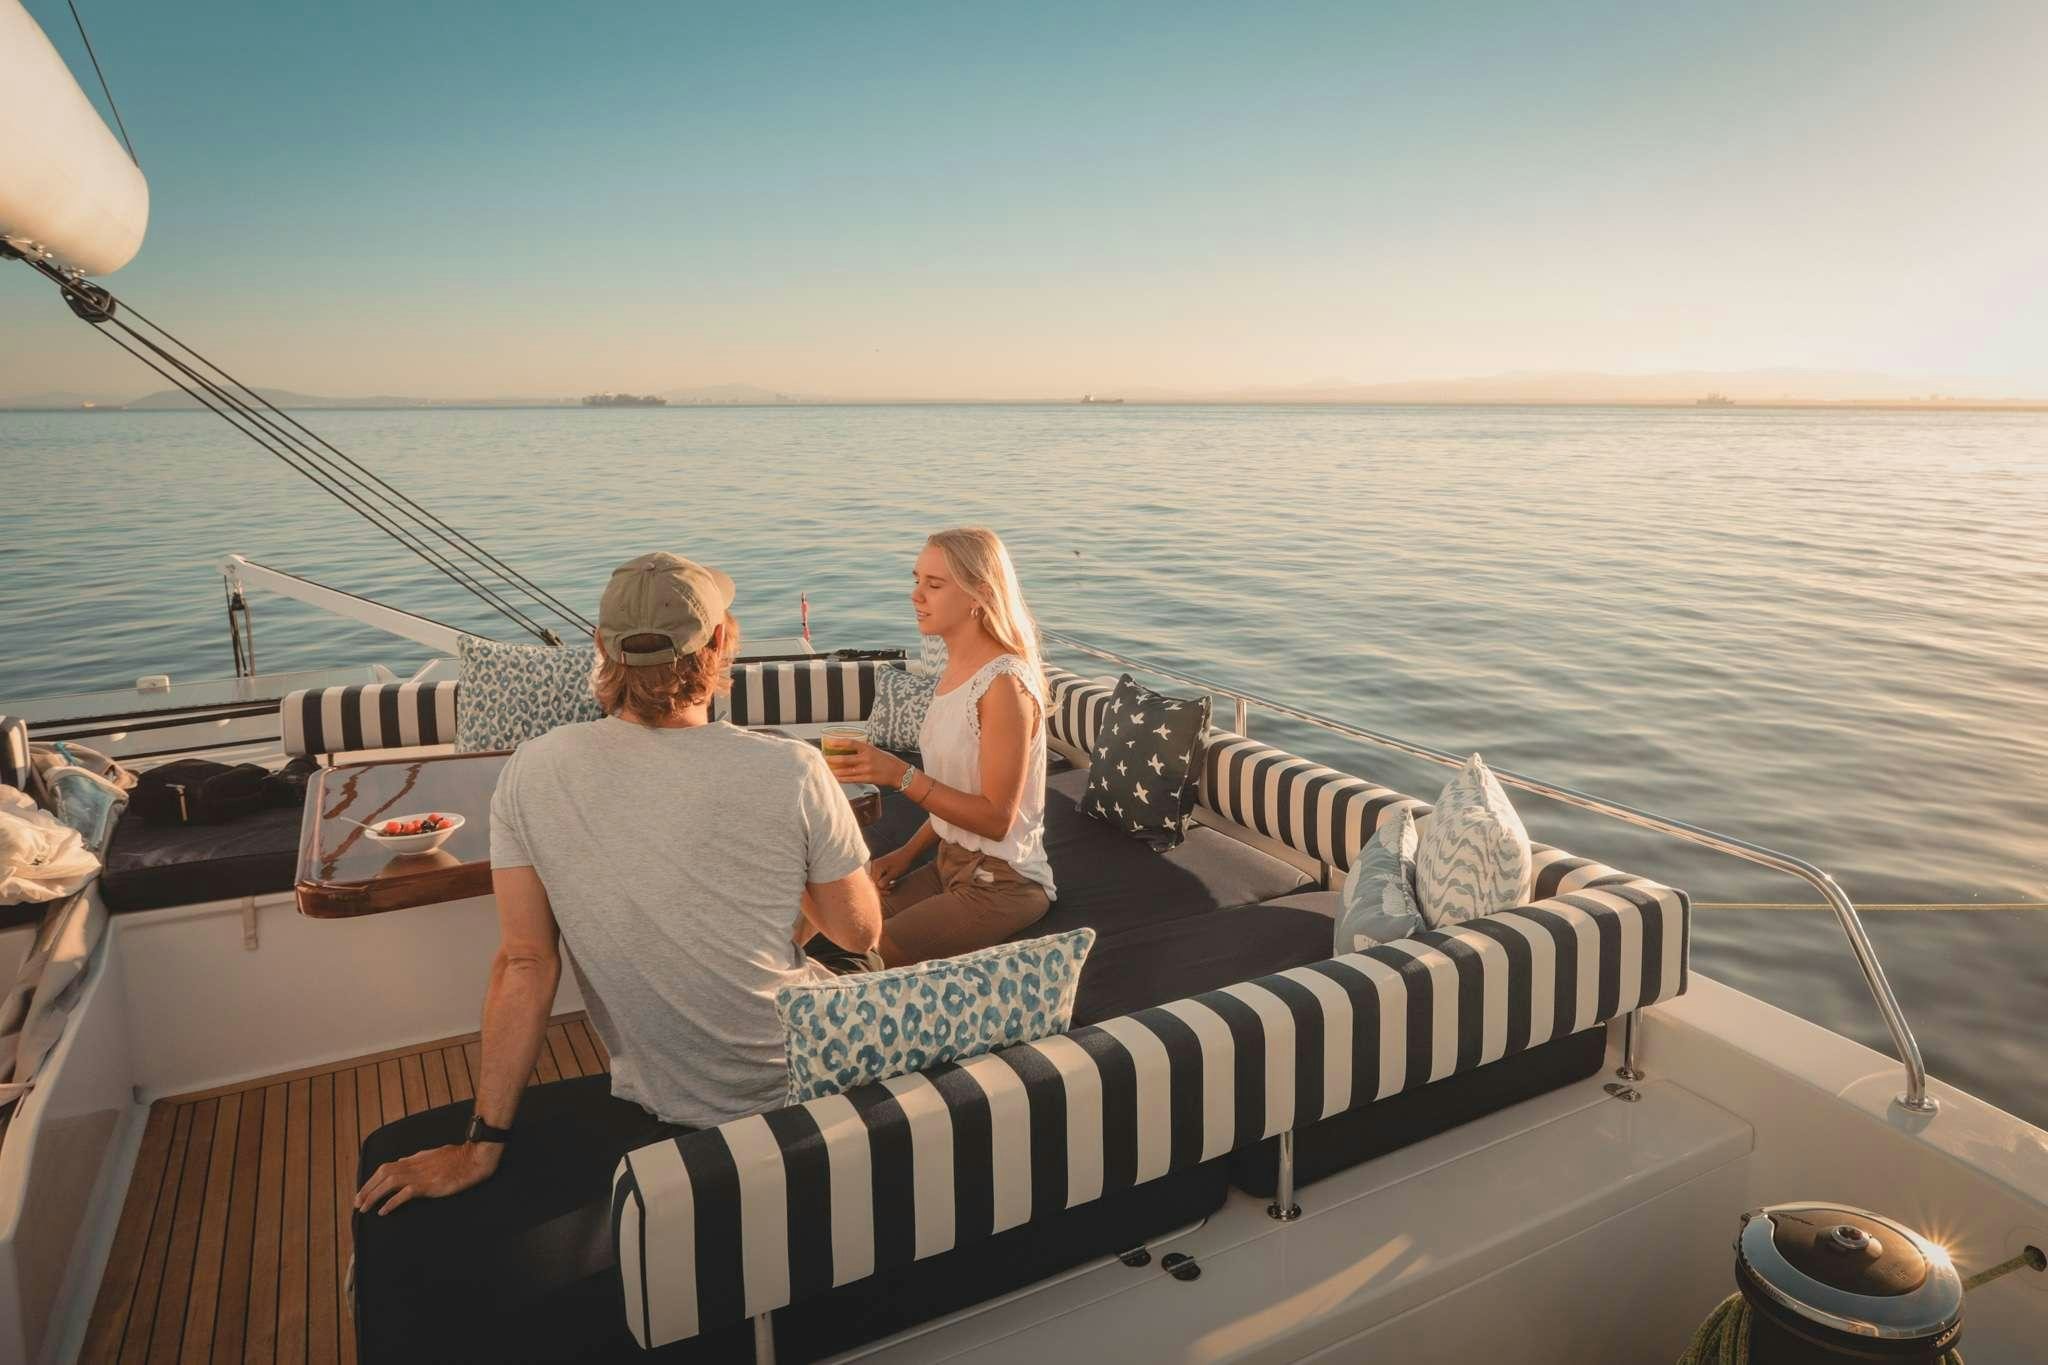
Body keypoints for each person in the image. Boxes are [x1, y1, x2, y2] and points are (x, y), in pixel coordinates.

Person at [353, 550, 882, 1219]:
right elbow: (858, 931)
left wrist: (480, 1147)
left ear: (602, 648)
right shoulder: (792, 768)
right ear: (720, 643)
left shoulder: (531, 772)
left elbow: (525, 962)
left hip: (669, 1093)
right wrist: (792, 865)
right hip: (804, 1079)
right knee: (862, 952)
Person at [827, 527, 1054, 965]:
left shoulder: (1004, 683)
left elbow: (995, 819)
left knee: (867, 953)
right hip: (946, 865)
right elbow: (955, 789)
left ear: (979, 594)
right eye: (916, 580)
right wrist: (905, 854)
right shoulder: (956, 669)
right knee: (839, 928)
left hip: (1003, 883)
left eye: (934, 585)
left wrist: (899, 774)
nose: (916, 596)